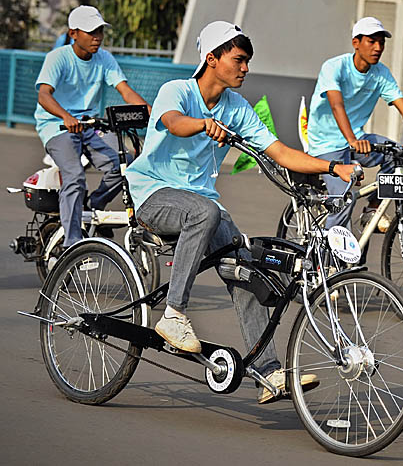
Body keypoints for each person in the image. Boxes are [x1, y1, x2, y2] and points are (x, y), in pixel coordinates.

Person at [125, 21, 358, 404]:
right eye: (239, 59)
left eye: (248, 60)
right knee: (204, 212)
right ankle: (173, 314)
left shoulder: (237, 108)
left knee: (244, 268)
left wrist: (333, 168)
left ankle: (267, 374)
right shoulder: (177, 91)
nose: (246, 68)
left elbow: (280, 153)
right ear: (211, 58)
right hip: (155, 195)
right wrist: (203, 124)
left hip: (203, 207)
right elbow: (174, 124)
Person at [306, 16, 403, 232]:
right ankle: (326, 261)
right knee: (344, 201)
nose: (378, 47)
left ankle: (372, 209)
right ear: (356, 42)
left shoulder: (381, 73)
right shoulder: (335, 67)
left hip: (356, 139)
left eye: (381, 42)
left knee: (401, 155)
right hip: (327, 145)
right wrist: (352, 140)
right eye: (371, 41)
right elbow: (337, 105)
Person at [34, 5, 150, 247]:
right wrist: (66, 116)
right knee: (75, 176)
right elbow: (44, 95)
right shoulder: (58, 58)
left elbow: (125, 91)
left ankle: (94, 206)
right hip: (57, 125)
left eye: (99, 31)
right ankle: (72, 242)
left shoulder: (104, 59)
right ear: (73, 33)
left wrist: (151, 112)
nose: (97, 37)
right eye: (90, 32)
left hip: (89, 124)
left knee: (124, 164)